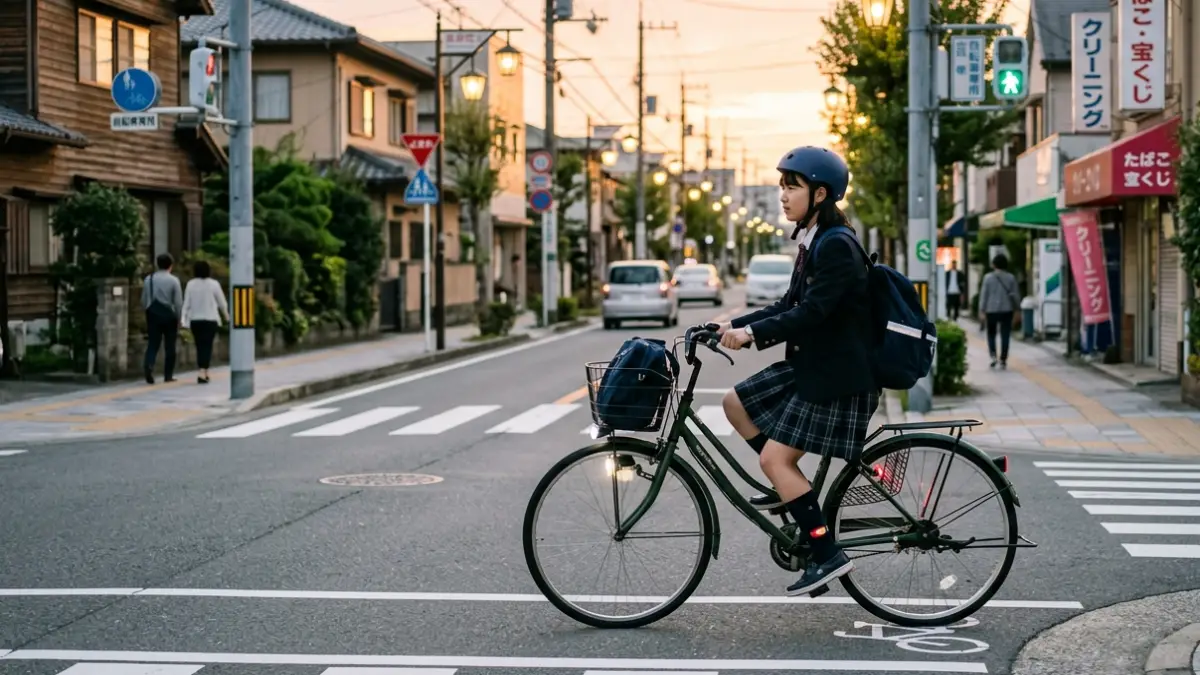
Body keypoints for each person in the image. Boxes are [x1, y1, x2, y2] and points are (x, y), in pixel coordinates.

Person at [713, 145, 879, 597]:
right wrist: (734, 324)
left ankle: (825, 554)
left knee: (774, 458)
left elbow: (812, 313)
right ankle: (792, 489)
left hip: (838, 379)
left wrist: (752, 337)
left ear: (820, 194)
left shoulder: (836, 246)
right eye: (782, 185)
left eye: (793, 186)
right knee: (734, 403)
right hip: (815, 367)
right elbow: (788, 305)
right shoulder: (815, 241)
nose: (783, 195)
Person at [181, 260, 229, 384]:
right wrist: (226, 316)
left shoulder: (191, 284)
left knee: (199, 345)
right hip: (210, 320)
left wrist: (183, 319)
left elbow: (186, 303)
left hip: (195, 320)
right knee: (207, 346)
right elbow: (222, 303)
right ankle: (203, 371)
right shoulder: (214, 284)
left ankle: (204, 371)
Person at [141, 253, 183, 384]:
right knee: (170, 345)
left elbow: (143, 300)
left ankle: (149, 364)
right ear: (170, 265)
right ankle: (168, 375)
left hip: (153, 314)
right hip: (169, 316)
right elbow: (178, 302)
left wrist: (147, 310)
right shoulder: (174, 280)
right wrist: (180, 317)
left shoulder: (149, 279)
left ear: (157, 264)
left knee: (153, 343)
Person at [978, 253, 1020, 369]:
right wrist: (1018, 309)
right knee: (1005, 334)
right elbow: (1015, 295)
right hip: (1007, 309)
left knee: (991, 334)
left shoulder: (988, 278)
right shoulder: (1011, 278)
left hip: (991, 310)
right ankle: (1003, 359)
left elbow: (984, 295)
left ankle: (993, 356)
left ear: (994, 264)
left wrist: (982, 310)